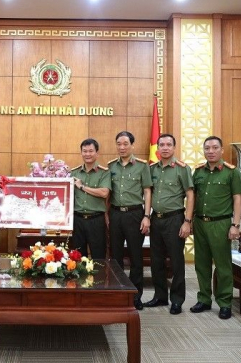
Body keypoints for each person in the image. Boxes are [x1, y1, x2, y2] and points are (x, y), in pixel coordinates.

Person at [190, 135, 241, 320]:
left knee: (223, 266)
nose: (211, 151)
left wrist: (235, 225)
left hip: (220, 223)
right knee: (201, 264)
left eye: (214, 148)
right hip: (199, 223)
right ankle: (204, 299)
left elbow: (238, 199)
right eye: (207, 148)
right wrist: (188, 220)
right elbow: (192, 198)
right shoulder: (198, 172)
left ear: (221, 150)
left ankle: (225, 303)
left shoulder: (231, 172)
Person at [144, 134, 194, 315]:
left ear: (174, 147)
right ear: (158, 148)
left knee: (176, 261)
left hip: (175, 219)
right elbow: (148, 193)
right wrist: (147, 216)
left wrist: (187, 222)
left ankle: (177, 300)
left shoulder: (182, 168)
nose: (165, 148)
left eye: (168, 145)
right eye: (162, 145)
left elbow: (190, 195)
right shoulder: (152, 169)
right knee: (156, 260)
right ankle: (160, 296)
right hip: (156, 219)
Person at [107, 131, 152, 310]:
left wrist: (146, 216)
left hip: (135, 214)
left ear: (132, 145)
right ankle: (117, 293)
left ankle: (135, 296)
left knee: (135, 257)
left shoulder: (142, 166)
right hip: (116, 214)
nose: (122, 147)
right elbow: (107, 193)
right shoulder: (110, 166)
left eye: (126, 143)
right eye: (119, 144)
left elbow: (147, 191)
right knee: (115, 257)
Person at [71, 138, 111, 259]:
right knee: (77, 257)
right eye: (85, 151)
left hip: (96, 220)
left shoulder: (104, 172)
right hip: (77, 220)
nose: (87, 154)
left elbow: (104, 193)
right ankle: (79, 279)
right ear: (81, 153)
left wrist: (82, 187)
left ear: (97, 153)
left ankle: (100, 278)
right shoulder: (74, 173)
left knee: (98, 257)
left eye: (91, 151)